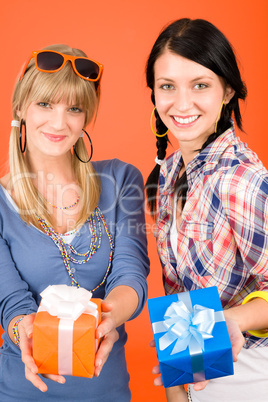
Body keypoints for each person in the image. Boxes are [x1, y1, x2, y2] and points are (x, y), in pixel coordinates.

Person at [0, 44, 149, 401]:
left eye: (74, 109)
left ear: (86, 118)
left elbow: (130, 273)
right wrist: (27, 332)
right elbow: (12, 303)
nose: (58, 122)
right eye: (45, 104)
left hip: (107, 391)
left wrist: (109, 318)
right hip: (23, 391)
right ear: (21, 106)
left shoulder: (121, 179)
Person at [145, 18, 268, 402]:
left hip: (252, 377)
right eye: (167, 86)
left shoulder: (241, 181)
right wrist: (177, 386)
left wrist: (233, 319)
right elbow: (179, 295)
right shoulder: (167, 175)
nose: (182, 104)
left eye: (200, 85)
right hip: (199, 376)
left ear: (228, 89)